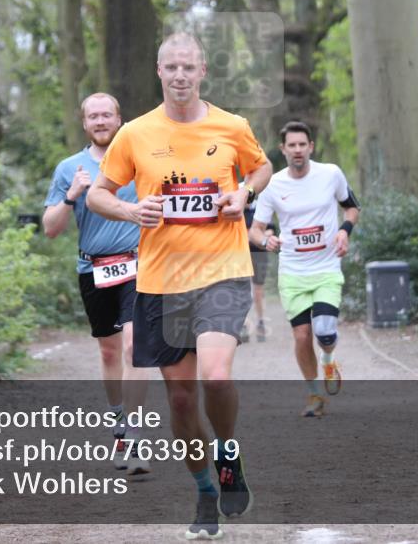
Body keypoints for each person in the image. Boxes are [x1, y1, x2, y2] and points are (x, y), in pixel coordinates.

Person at [87, 33, 272, 540]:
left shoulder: (231, 126)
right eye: (172, 67)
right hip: (162, 282)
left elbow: (261, 168)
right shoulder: (134, 133)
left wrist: (243, 192)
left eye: (189, 67)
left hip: (222, 272)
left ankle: (228, 455)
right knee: (184, 402)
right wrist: (130, 209)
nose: (181, 75)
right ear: (159, 71)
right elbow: (100, 195)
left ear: (203, 70)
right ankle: (204, 491)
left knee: (215, 376)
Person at [43, 92, 151, 475]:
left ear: (120, 119)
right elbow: (51, 229)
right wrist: (72, 196)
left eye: (107, 114)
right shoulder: (69, 168)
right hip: (94, 269)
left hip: (138, 266)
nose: (101, 121)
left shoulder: (140, 159)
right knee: (109, 353)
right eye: (94, 116)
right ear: (84, 123)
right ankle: (120, 422)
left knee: (135, 346)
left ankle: (137, 434)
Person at [249, 121, 360, 418]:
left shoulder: (331, 174)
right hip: (292, 272)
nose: (297, 150)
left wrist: (344, 231)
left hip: (325, 266)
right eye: (292, 145)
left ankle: (328, 358)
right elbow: (255, 230)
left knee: (324, 330)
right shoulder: (273, 184)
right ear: (283, 149)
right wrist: (267, 240)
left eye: (302, 144)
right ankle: (314, 395)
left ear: (311, 147)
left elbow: (352, 207)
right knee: (300, 336)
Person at [241, 202, 273, 343]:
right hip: (240, 255)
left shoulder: (261, 209)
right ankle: (244, 325)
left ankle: (260, 322)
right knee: (241, 292)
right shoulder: (236, 209)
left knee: (258, 292)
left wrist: (254, 237)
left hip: (259, 254)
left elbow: (270, 231)